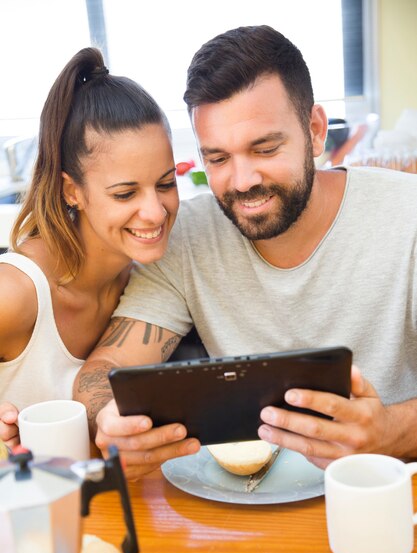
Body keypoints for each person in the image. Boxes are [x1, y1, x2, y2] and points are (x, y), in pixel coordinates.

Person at [74, 25, 417, 480]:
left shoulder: (406, 215)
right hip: (241, 512)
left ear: (315, 132)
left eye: (265, 148)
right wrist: (108, 419)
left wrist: (393, 430)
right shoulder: (186, 239)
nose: (242, 181)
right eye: (217, 158)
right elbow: (105, 369)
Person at [0, 46, 183, 450]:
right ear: (73, 191)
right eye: (124, 193)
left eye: (166, 184)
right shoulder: (15, 294)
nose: (155, 212)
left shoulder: (152, 278)